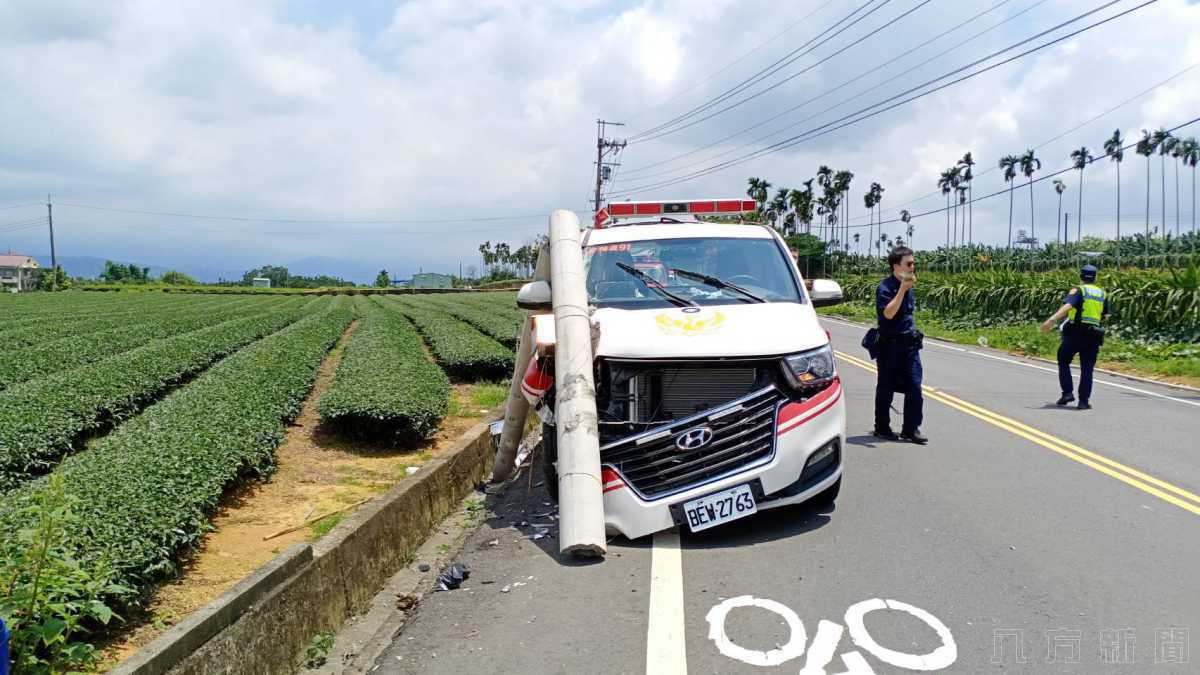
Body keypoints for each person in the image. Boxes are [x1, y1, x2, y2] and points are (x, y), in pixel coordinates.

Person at [873, 246, 927, 444]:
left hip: (909, 345)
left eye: (914, 264)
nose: (913, 267)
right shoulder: (885, 287)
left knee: (914, 385)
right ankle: (882, 427)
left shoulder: (908, 286)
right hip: (889, 346)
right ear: (896, 266)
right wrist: (903, 290)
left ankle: (911, 429)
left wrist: (906, 289)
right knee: (886, 387)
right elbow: (888, 313)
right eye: (909, 264)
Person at [1040, 264, 1109, 410]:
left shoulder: (1078, 290)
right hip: (1093, 334)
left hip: (1075, 331)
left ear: (1081, 276)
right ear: (1095, 277)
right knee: (1087, 368)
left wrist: (1051, 320)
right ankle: (1083, 401)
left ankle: (1067, 393)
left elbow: (1068, 306)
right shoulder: (1102, 293)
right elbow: (1106, 315)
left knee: (1063, 359)